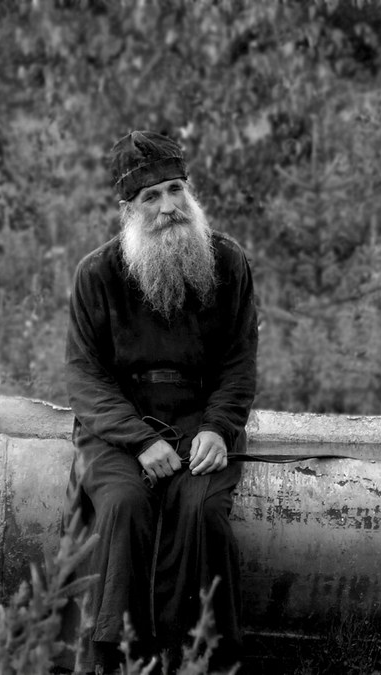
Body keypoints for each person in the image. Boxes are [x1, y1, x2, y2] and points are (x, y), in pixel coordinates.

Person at [60, 130, 258, 673]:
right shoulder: (96, 274)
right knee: (122, 506)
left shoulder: (228, 262)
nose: (168, 206)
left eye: (174, 189)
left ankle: (200, 654)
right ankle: (117, 655)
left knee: (202, 512)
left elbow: (240, 365)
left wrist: (217, 428)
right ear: (127, 208)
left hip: (202, 421)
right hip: (118, 427)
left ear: (188, 191)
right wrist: (141, 440)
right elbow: (85, 379)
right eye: (151, 197)